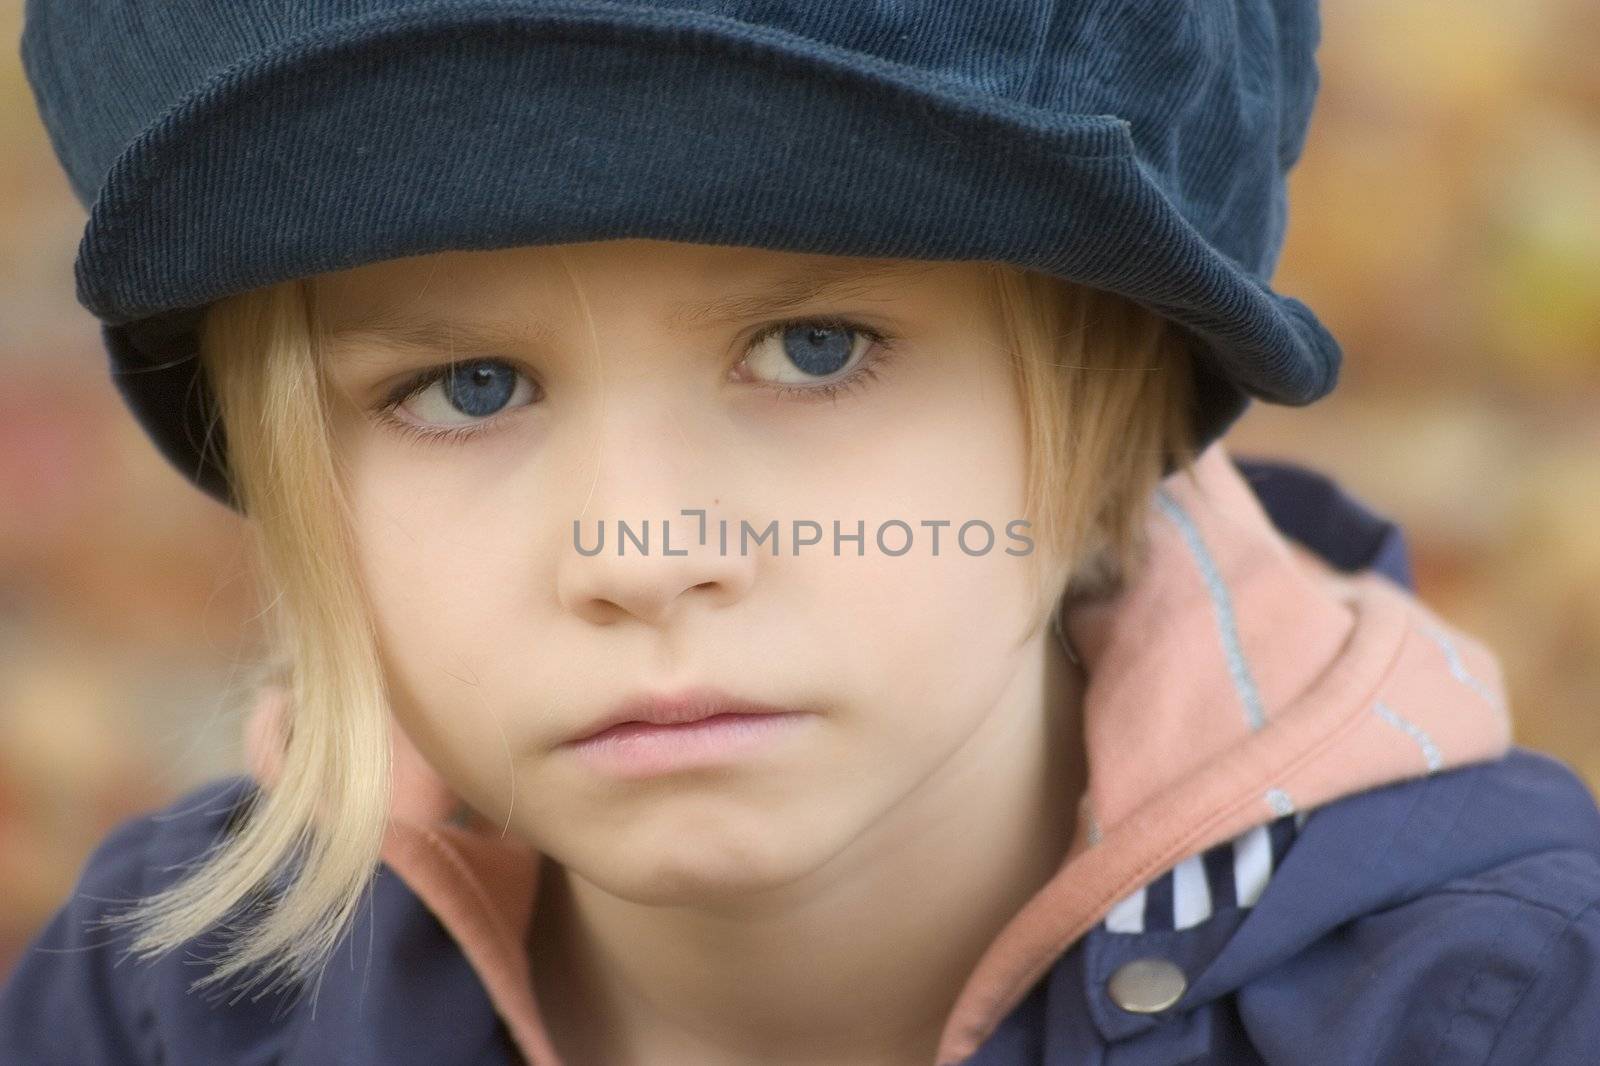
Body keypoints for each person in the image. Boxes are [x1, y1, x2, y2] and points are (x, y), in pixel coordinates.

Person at [5, 3, 1599, 1064]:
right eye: (467, 385)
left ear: (1104, 404)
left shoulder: (1494, 1008)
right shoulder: (167, 1006)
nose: (640, 550)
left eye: (816, 348)